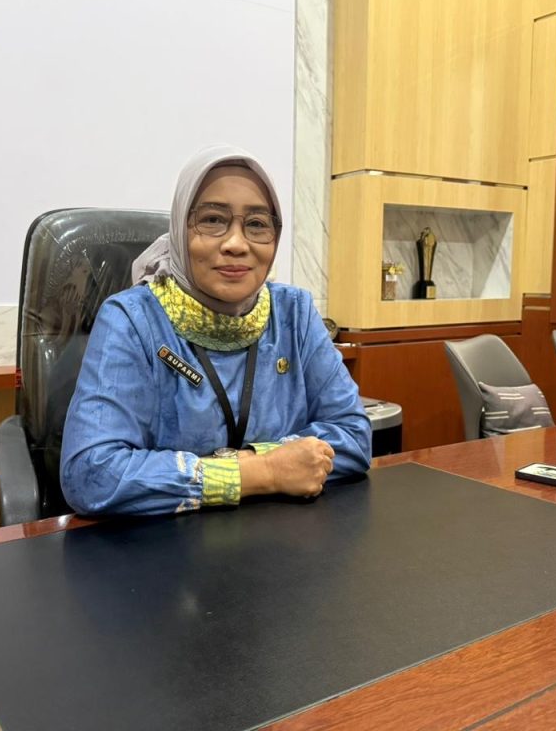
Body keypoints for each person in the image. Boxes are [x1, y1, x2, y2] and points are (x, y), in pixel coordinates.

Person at [60, 144, 372, 515]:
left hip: (284, 538)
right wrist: (264, 472)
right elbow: (91, 473)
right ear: (180, 229)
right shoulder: (132, 319)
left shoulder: (294, 313)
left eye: (257, 224)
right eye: (212, 220)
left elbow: (354, 435)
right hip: (162, 544)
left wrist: (248, 462)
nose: (236, 244)